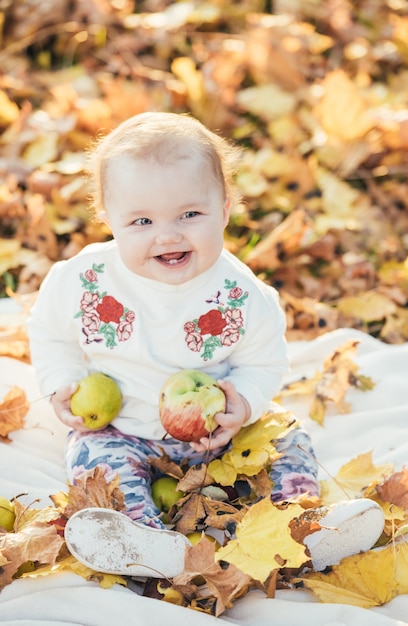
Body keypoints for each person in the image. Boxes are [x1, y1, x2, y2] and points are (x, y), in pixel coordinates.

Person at [28, 111, 384, 579]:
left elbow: (263, 361)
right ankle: (142, 539)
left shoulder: (240, 293)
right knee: (94, 459)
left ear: (225, 209)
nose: (169, 234)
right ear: (107, 218)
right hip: (120, 425)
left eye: (190, 214)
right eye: (141, 220)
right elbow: (51, 334)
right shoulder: (83, 279)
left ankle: (302, 526)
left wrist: (245, 402)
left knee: (288, 438)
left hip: (216, 430)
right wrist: (62, 384)